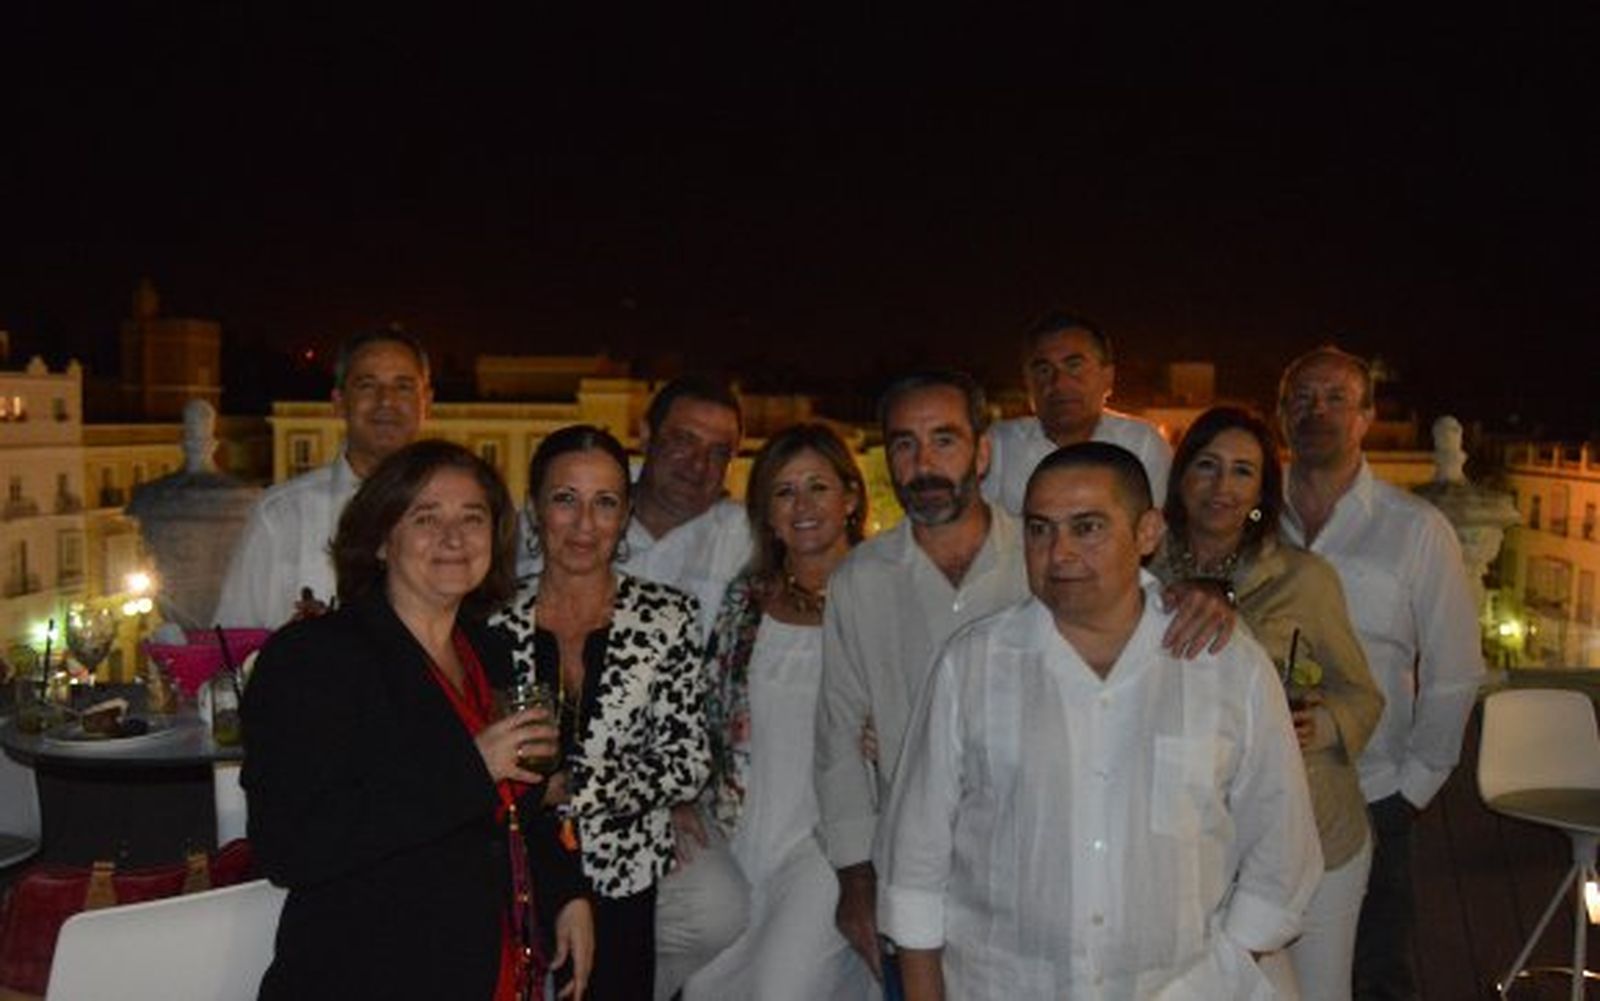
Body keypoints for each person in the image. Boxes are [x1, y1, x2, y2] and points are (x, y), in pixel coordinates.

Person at [816, 371, 1236, 991]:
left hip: (1045, 874)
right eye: (904, 444)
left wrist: (1208, 600)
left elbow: (1143, 620)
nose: (923, 463)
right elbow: (838, 734)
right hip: (913, 873)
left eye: (943, 440)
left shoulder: (1050, 554)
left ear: (982, 452)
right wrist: (856, 878)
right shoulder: (861, 579)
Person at [879, 442, 1322, 998]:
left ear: (1147, 532)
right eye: (1040, 530)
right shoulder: (971, 666)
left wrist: (1220, 974)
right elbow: (914, 863)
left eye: (1087, 527)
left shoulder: (1226, 665)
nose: (1059, 552)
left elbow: (1283, 850)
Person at [243, 439, 593, 1000]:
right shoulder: (314, 657)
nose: (453, 538)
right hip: (369, 974)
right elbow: (290, 844)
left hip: (491, 966)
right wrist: (471, 767)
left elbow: (514, 808)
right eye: (426, 518)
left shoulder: (488, 651)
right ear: (382, 538)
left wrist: (565, 891)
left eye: (472, 518)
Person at [1149, 406, 1385, 1000]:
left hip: (1312, 831)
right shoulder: (1142, 573)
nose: (1222, 486)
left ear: (1262, 491)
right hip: (1190, 840)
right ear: (1181, 477)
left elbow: (1362, 693)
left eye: (1242, 471)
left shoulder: (1304, 578)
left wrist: (1322, 724)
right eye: (1207, 466)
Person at [1276, 347, 1486, 1001]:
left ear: (1367, 416)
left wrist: (1414, 788)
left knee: (1375, 972)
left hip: (1371, 789)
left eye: (1336, 397)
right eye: (1302, 398)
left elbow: (1454, 668)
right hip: (1260, 790)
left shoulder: (1415, 529)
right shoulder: (1249, 520)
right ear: (1281, 414)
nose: (1317, 410)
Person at [493, 425, 711, 1000]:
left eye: (605, 502)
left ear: (626, 514)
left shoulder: (668, 617)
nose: (585, 524)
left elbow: (688, 762)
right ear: (535, 508)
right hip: (510, 865)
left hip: (623, 872)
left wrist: (573, 788)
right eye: (566, 499)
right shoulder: (489, 617)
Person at [684, 424, 875, 1001]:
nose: (803, 506)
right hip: (742, 827)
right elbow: (705, 707)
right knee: (710, 987)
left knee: (781, 986)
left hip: (831, 839)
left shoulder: (883, 592)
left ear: (850, 497)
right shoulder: (746, 599)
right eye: (785, 492)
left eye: (818, 487)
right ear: (767, 513)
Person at [216, 328, 432, 627]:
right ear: (339, 402)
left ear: (426, 403)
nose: (386, 400)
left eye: (403, 386)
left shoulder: (465, 517)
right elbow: (234, 639)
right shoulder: (281, 516)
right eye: (367, 385)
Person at [516, 375, 751, 640]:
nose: (699, 464)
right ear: (646, 435)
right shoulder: (548, 522)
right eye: (684, 441)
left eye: (719, 452)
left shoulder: (748, 542)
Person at [983, 309, 1172, 517]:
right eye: (1044, 370)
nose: (1060, 383)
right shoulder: (1000, 444)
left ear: (1107, 376)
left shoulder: (1142, 443)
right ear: (1028, 381)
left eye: (1074, 366)